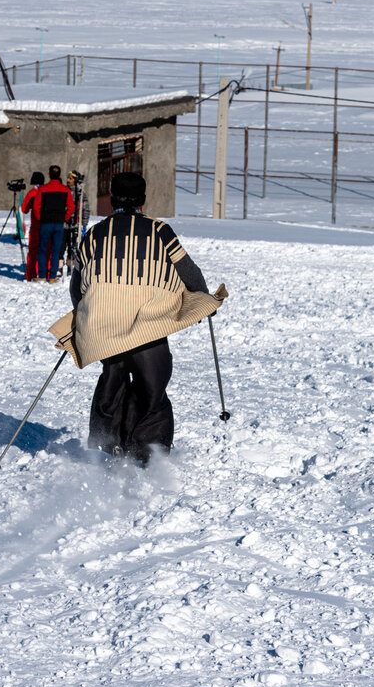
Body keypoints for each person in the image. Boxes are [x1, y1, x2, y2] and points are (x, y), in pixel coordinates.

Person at [50, 171, 225, 465]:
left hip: (105, 327)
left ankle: (109, 445)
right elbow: (189, 273)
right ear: (143, 201)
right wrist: (203, 298)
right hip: (150, 325)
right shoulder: (161, 231)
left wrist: (85, 315)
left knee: (113, 379)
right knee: (151, 386)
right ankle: (148, 451)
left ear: (113, 200)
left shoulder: (93, 234)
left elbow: (76, 284)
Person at [22, 165, 75, 284]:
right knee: (55, 251)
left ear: (49, 175)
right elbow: (71, 208)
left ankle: (41, 275)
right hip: (58, 224)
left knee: (42, 250)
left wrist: (41, 219)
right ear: (60, 175)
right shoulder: (65, 190)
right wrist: (63, 218)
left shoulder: (43, 189)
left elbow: (36, 207)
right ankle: (52, 276)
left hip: (45, 223)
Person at [20, 172, 45, 281]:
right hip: (46, 226)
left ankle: (31, 275)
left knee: (33, 252)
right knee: (46, 251)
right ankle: (46, 274)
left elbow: (24, 209)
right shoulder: (47, 191)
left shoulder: (31, 193)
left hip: (35, 226)